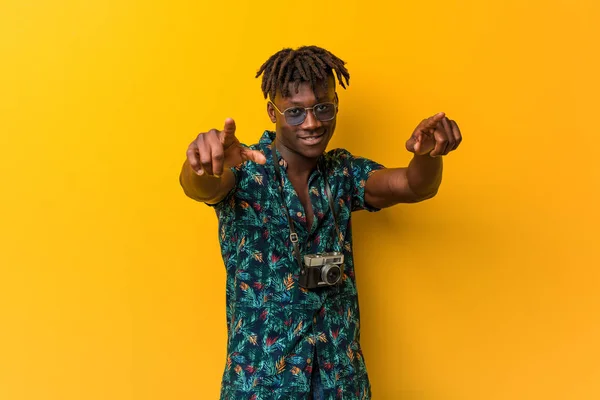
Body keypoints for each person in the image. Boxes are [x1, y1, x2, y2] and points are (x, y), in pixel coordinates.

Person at [179, 45, 462, 400]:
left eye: (323, 108)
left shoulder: (343, 173)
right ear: (273, 112)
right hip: (262, 384)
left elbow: (415, 185)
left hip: (340, 382)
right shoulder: (244, 169)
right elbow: (200, 186)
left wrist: (427, 154)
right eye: (295, 112)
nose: (312, 123)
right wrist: (202, 165)